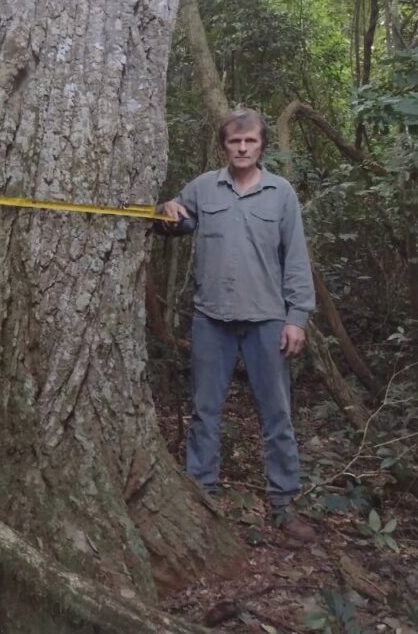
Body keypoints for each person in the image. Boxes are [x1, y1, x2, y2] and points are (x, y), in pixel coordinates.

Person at [160, 108, 315, 541]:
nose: (243, 148)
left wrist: (297, 317)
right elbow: (175, 221)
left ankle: (284, 503)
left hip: (267, 319)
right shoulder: (204, 188)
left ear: (262, 146)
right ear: (224, 146)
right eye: (235, 142)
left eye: (250, 141)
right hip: (212, 319)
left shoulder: (280, 193)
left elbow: (297, 258)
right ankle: (202, 495)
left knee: (277, 414)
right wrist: (167, 211)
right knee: (205, 412)